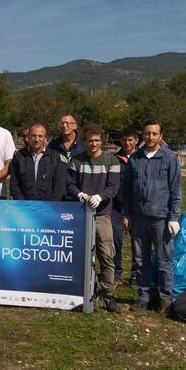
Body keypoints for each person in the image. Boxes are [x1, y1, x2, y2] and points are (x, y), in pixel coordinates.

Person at [121, 120, 182, 312]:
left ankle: (165, 298)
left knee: (164, 260)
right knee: (140, 260)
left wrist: (174, 216)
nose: (151, 137)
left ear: (161, 136)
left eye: (155, 134)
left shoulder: (169, 158)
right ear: (142, 136)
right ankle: (143, 296)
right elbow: (127, 190)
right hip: (138, 219)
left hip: (161, 219)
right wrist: (127, 214)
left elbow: (175, 189)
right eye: (147, 133)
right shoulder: (135, 159)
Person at [66, 125, 122, 313]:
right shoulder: (76, 160)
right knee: (81, 255)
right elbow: (70, 184)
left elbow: (114, 186)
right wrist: (79, 194)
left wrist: (101, 196)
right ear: (84, 141)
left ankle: (109, 294)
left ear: (102, 141)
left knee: (106, 254)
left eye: (97, 140)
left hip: (102, 214)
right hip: (81, 213)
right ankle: (86, 290)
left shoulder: (111, 160)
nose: (94, 144)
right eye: (90, 141)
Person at [9, 123, 66, 200]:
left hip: (49, 206)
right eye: (33, 136)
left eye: (40, 136)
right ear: (28, 137)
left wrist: (52, 204)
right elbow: (14, 184)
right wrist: (22, 203)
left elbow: (59, 185)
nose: (36, 139)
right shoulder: (19, 156)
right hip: (24, 205)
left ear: (46, 139)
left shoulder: (55, 157)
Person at [112, 128, 140, 284]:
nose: (127, 143)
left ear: (136, 140)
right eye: (124, 140)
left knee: (138, 242)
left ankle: (136, 274)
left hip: (137, 208)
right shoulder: (114, 159)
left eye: (130, 140)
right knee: (116, 240)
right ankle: (116, 272)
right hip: (117, 207)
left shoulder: (142, 158)